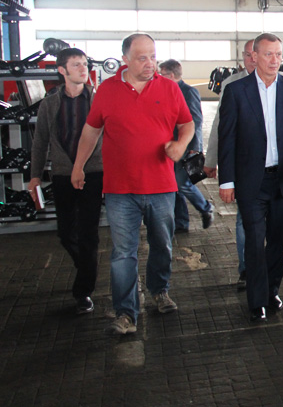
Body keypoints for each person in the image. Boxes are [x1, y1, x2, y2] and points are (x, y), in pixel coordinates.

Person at [71, 33, 194, 335]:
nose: (150, 63)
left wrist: (181, 145)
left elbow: (187, 123)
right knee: (123, 252)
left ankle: (159, 290)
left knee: (162, 245)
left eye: (153, 56)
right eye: (142, 58)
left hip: (161, 186)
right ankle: (126, 313)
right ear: (125, 59)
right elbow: (91, 131)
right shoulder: (107, 90)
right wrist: (78, 166)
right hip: (120, 189)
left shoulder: (169, 88)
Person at [218, 33, 283, 323]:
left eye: (279, 54)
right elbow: (227, 138)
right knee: (254, 238)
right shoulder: (236, 91)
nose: (275, 60)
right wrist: (226, 181)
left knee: (278, 239)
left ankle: (272, 290)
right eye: (268, 54)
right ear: (254, 56)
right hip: (251, 181)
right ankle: (256, 300)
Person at [28, 47, 104, 315]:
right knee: (65, 232)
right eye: (76, 65)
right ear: (62, 70)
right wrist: (35, 175)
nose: (83, 69)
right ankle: (86, 266)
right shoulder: (49, 105)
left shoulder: (98, 100)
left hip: (93, 173)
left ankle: (83, 291)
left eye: (84, 64)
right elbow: (40, 142)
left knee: (88, 233)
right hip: (62, 174)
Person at [204, 39, 254, 290]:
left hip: (276, 167)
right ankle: (246, 269)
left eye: (256, 54)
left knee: (275, 218)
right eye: (248, 55)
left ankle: (271, 260)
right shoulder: (231, 85)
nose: (252, 60)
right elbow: (220, 126)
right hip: (244, 166)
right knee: (245, 219)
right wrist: (211, 159)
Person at [158, 59, 214, 234]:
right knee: (174, 186)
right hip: (170, 146)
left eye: (162, 74)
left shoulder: (188, 92)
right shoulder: (164, 91)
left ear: (171, 75)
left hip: (185, 147)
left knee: (181, 183)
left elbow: (195, 121)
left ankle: (205, 208)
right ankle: (181, 222)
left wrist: (194, 148)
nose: (158, 77)